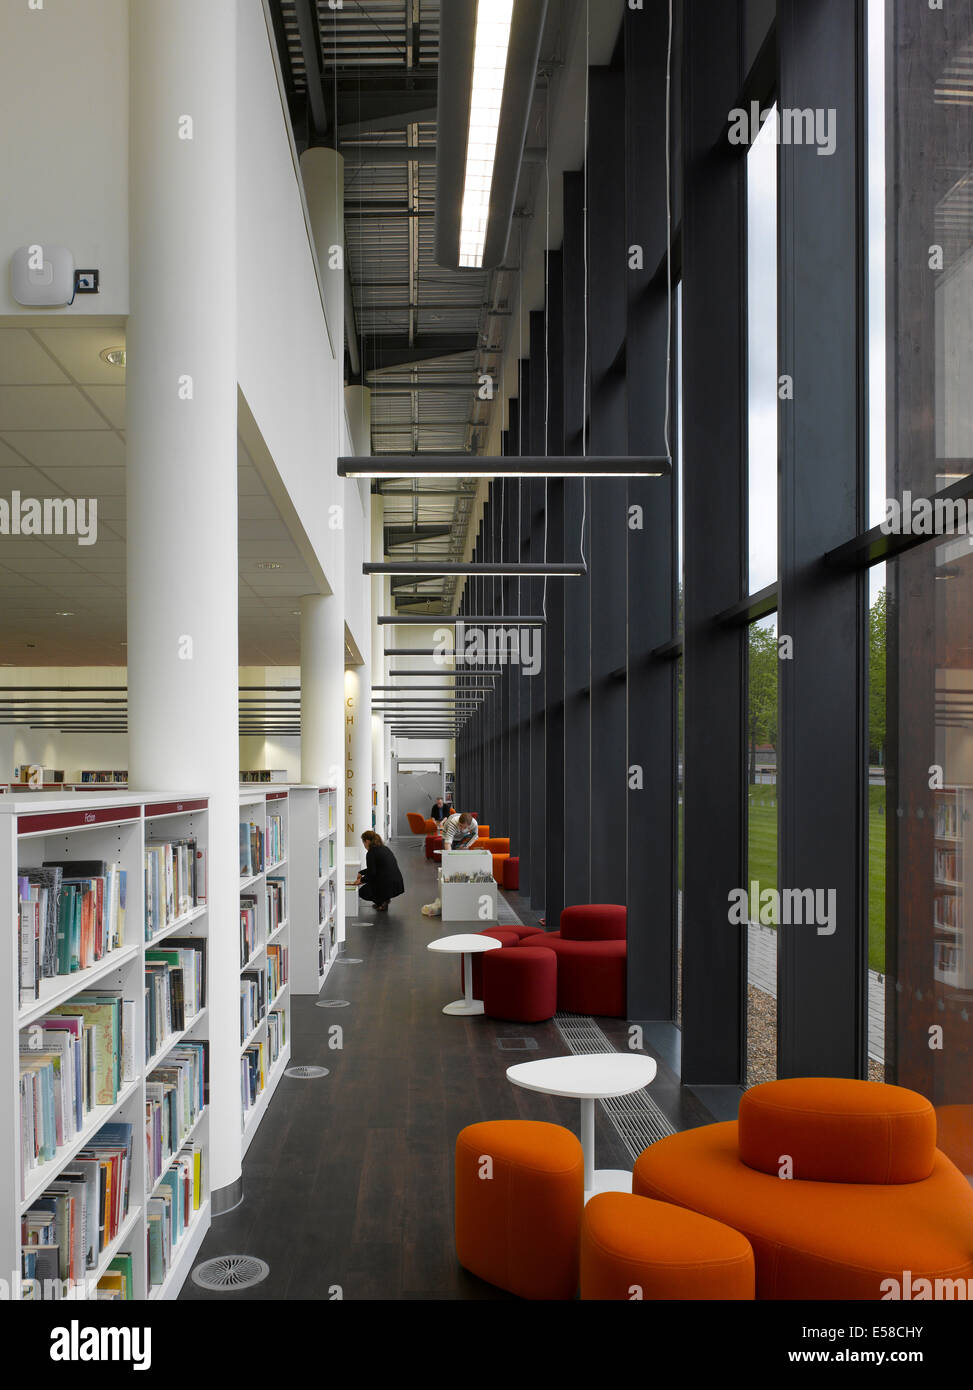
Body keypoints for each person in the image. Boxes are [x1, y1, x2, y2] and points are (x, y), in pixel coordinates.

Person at [355, 830, 404, 913]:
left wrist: (361, 880)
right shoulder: (384, 848)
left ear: (367, 841)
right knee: (374, 883)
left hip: (387, 884)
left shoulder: (371, 853)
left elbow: (372, 873)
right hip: (397, 883)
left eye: (363, 842)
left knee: (362, 892)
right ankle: (383, 900)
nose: (364, 845)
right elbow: (377, 868)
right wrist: (361, 872)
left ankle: (381, 902)